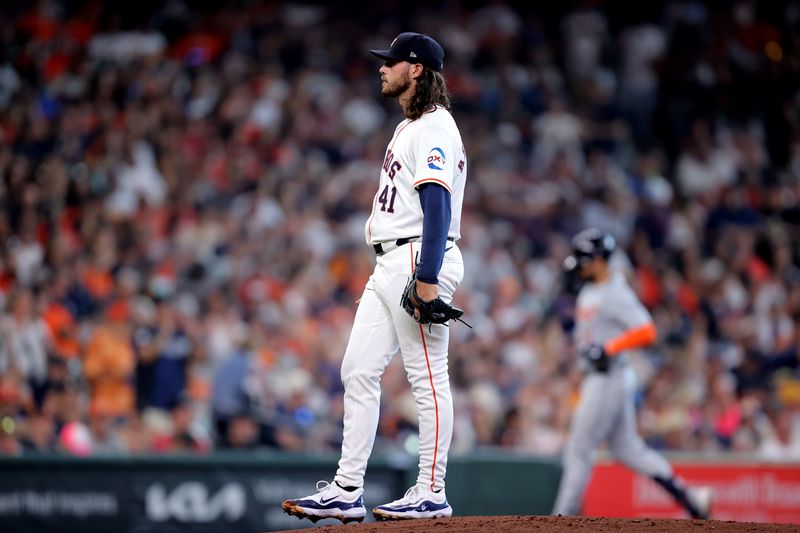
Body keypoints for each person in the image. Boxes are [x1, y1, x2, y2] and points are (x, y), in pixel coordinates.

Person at [282, 32, 467, 523]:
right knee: (357, 370)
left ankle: (431, 489)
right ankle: (346, 489)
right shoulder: (411, 127)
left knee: (427, 379)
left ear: (418, 70)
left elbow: (437, 204)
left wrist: (426, 277)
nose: (382, 68)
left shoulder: (434, 125)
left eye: (393, 62)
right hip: (389, 260)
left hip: (416, 260)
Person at [552, 228, 712, 518]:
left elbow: (647, 330)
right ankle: (691, 499)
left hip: (608, 377)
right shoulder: (589, 291)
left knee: (579, 450)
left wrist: (611, 347)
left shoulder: (615, 292)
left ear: (600, 260)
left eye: (585, 260)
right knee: (627, 449)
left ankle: (560, 519)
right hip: (599, 376)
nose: (581, 267)